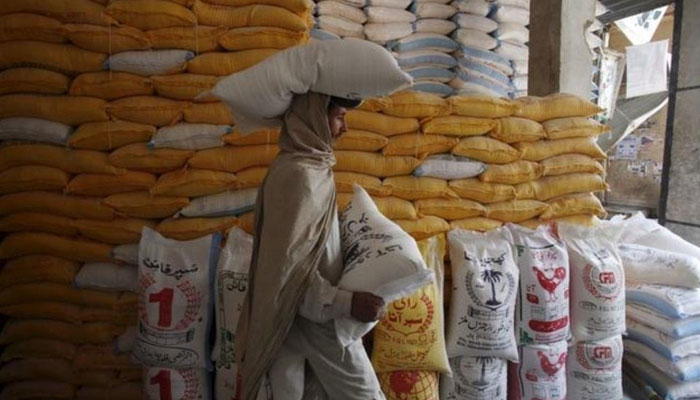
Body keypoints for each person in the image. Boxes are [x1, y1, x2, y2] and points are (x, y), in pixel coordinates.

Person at [236, 92, 388, 400]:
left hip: (295, 318)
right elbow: (290, 272)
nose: (343, 129)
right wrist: (346, 303)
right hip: (315, 317)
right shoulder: (300, 177)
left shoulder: (302, 167)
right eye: (339, 118)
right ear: (316, 119)